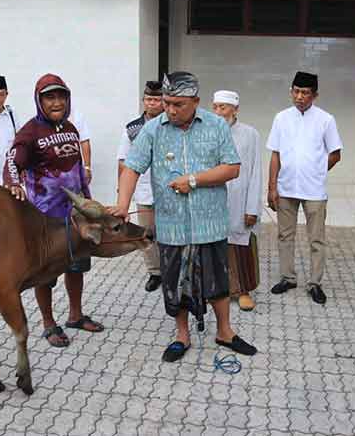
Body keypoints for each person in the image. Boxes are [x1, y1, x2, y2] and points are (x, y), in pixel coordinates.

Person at [110, 71, 257, 362]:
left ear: (196, 102)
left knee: (217, 282)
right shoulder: (153, 129)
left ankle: (225, 332)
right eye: (166, 103)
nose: (170, 110)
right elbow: (132, 167)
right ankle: (182, 335)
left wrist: (193, 180)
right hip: (171, 224)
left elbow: (232, 168)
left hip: (210, 223)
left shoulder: (216, 125)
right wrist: (122, 204)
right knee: (174, 282)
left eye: (178, 104)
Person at [3, 73, 104, 348]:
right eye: (50, 97)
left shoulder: (71, 127)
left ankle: (75, 315)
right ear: (39, 101)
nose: (56, 102)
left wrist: (89, 201)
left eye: (61, 96)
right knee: (46, 273)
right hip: (45, 219)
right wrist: (13, 182)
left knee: (77, 266)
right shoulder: (30, 132)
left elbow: (80, 171)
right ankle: (49, 324)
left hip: (75, 216)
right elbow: (13, 161)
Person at [266, 72, 343, 305]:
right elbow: (275, 154)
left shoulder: (326, 120)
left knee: (316, 239)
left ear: (315, 95)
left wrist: (317, 171)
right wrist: (272, 187)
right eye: (296, 91)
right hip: (286, 187)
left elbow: (336, 154)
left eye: (305, 93)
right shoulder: (281, 118)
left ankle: (315, 283)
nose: (300, 96)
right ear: (291, 91)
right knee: (284, 235)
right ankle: (288, 278)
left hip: (314, 191)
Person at [212, 90, 262, 311]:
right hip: (213, 199)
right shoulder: (207, 132)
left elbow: (255, 172)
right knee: (213, 247)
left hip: (240, 200)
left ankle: (243, 290)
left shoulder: (250, 134)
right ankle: (217, 290)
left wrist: (252, 207)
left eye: (223, 107)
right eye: (215, 107)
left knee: (241, 246)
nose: (218, 112)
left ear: (235, 109)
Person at [117, 81, 165, 292]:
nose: (153, 103)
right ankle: (155, 272)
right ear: (143, 101)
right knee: (147, 232)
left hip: (168, 188)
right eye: (149, 99)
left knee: (170, 231)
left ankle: (173, 268)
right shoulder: (132, 129)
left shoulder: (171, 125)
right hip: (144, 188)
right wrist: (122, 192)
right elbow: (123, 161)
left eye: (157, 99)